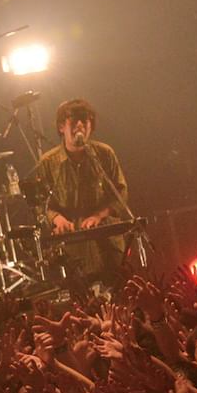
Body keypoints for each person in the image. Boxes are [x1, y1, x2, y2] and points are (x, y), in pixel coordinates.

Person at [29, 98, 129, 282]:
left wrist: (99, 216)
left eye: (85, 120)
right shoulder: (47, 163)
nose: (80, 125)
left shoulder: (104, 154)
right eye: (74, 120)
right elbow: (40, 205)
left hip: (108, 244)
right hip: (71, 251)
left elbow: (121, 193)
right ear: (61, 127)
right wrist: (57, 219)